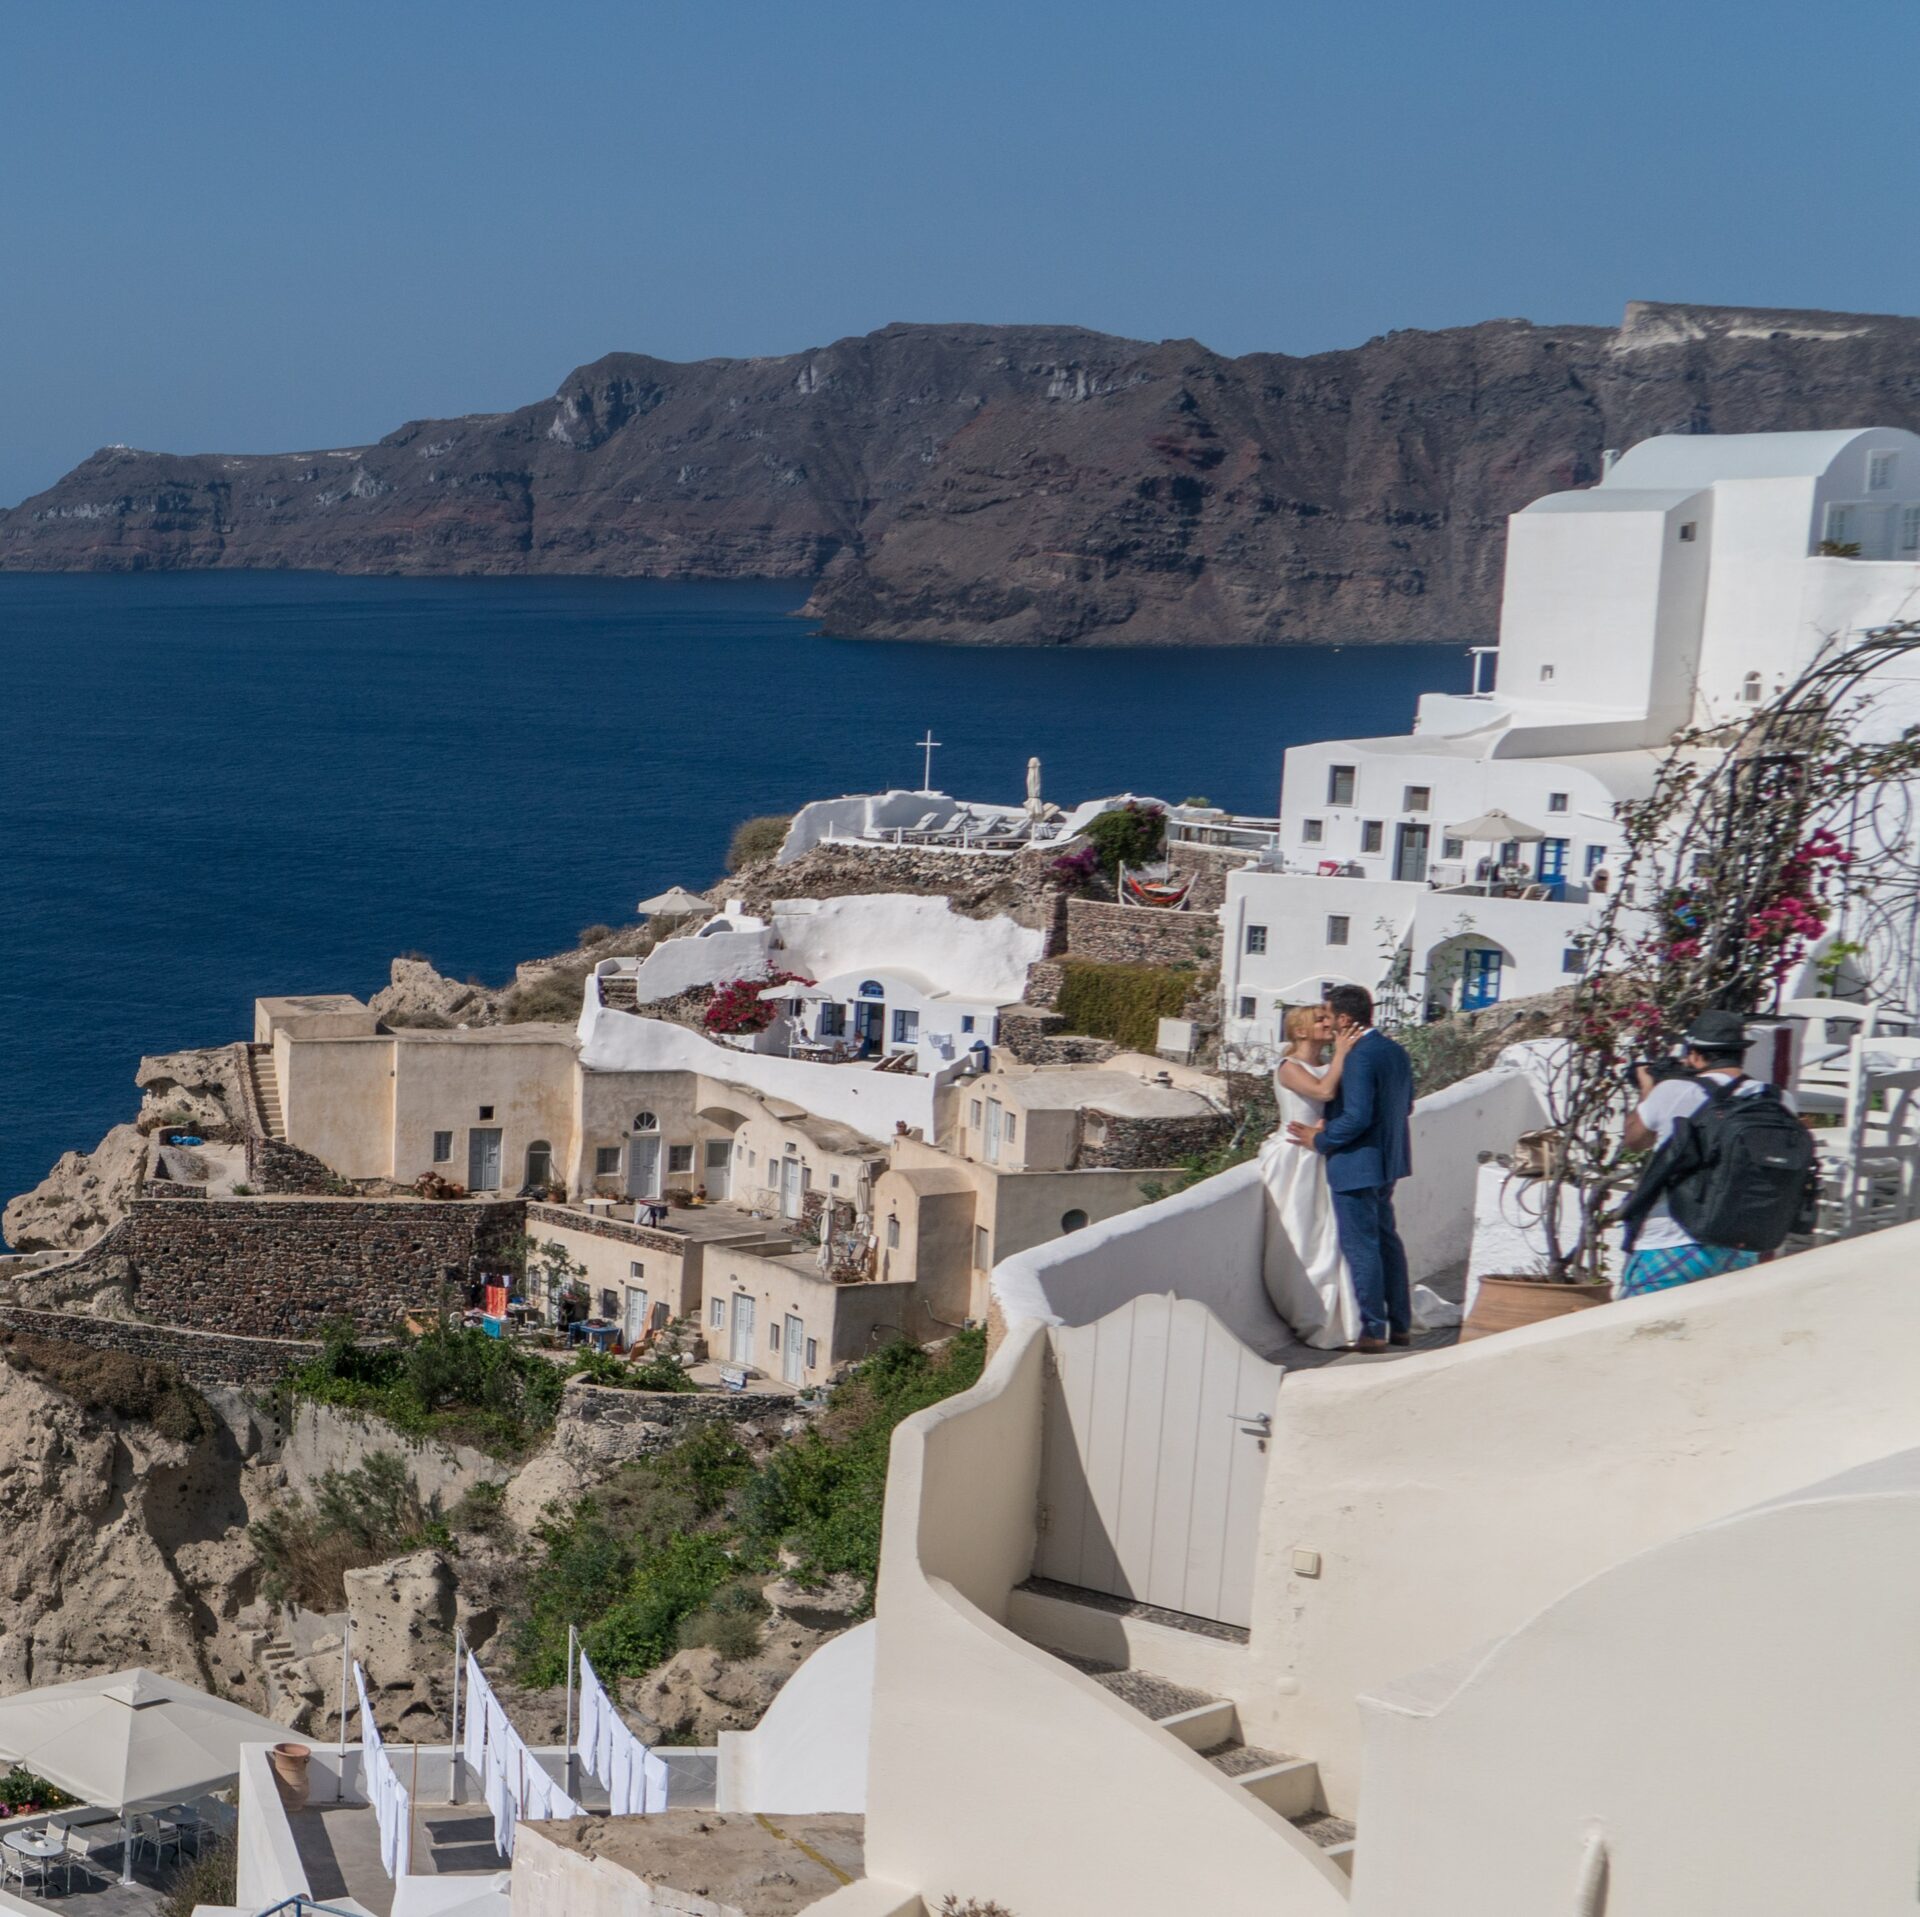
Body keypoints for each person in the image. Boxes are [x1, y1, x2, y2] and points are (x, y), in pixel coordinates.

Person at [1617, 1009, 1799, 1297]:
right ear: (1741, 1053)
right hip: (1738, 1248)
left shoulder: (1673, 1090)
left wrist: (1648, 1088)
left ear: (1694, 1054)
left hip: (1669, 1243)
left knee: (1637, 1324)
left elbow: (1634, 1140)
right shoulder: (1778, 1098)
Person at [1286, 985, 1416, 1352]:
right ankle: (1401, 1325)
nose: (1326, 1022)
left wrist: (1321, 1139)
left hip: (1357, 1163)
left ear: (1344, 1019)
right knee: (1387, 1241)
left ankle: (1373, 1330)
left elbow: (1357, 1117)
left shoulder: (1358, 1057)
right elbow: (1407, 1105)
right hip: (1389, 1160)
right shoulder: (1394, 1050)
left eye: (1328, 1016)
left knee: (1362, 1247)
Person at [1258, 1005, 1363, 1348]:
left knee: (1328, 1234)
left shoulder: (1327, 1063)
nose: (1327, 1023)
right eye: (1319, 1020)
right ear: (1300, 1031)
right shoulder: (1289, 1067)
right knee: (1300, 1231)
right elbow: (1323, 1092)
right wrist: (1343, 1054)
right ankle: (1308, 1307)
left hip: (1320, 1151)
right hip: (1294, 1158)